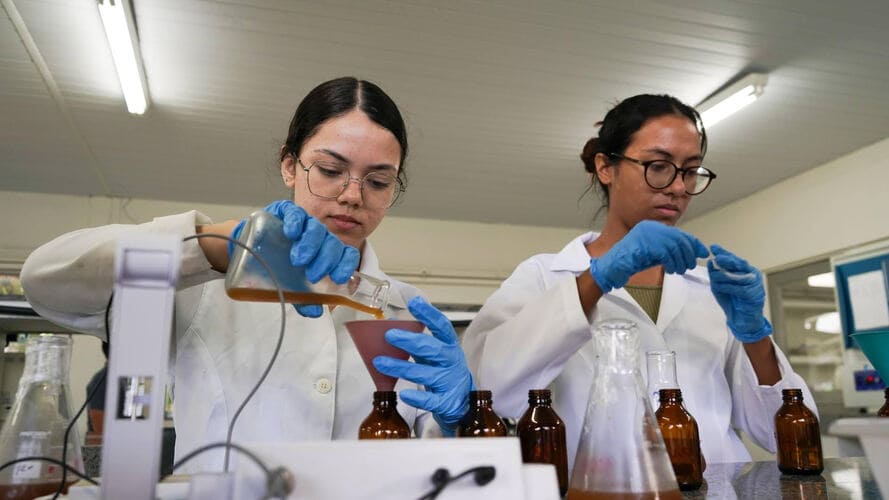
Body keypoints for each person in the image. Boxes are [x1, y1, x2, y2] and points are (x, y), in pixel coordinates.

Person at [21, 77, 472, 472]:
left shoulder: (407, 311)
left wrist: (460, 422)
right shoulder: (204, 284)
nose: (353, 195)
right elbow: (46, 281)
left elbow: (445, 470)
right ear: (290, 166)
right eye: (331, 170)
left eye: (377, 182)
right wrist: (215, 245)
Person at [461, 94, 815, 472]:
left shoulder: (712, 289)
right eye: (658, 166)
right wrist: (596, 280)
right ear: (605, 168)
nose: (678, 187)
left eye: (690, 170)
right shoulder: (544, 276)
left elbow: (781, 433)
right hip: (599, 489)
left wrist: (754, 333)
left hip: (716, 489)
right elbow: (488, 389)